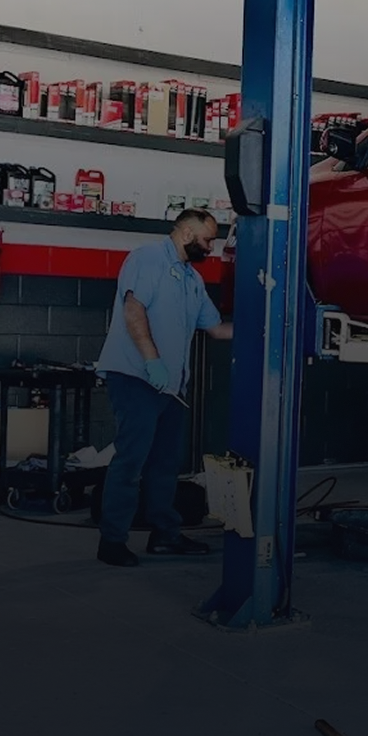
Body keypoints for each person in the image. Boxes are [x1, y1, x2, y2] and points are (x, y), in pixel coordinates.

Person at [95, 209, 233, 567]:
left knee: (165, 464)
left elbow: (216, 329)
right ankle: (111, 541)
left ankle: (165, 535)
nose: (211, 247)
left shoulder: (192, 279)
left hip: (170, 388)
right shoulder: (148, 259)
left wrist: (264, 327)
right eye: (207, 240)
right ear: (186, 231)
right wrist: (152, 360)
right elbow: (133, 309)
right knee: (131, 461)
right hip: (136, 377)